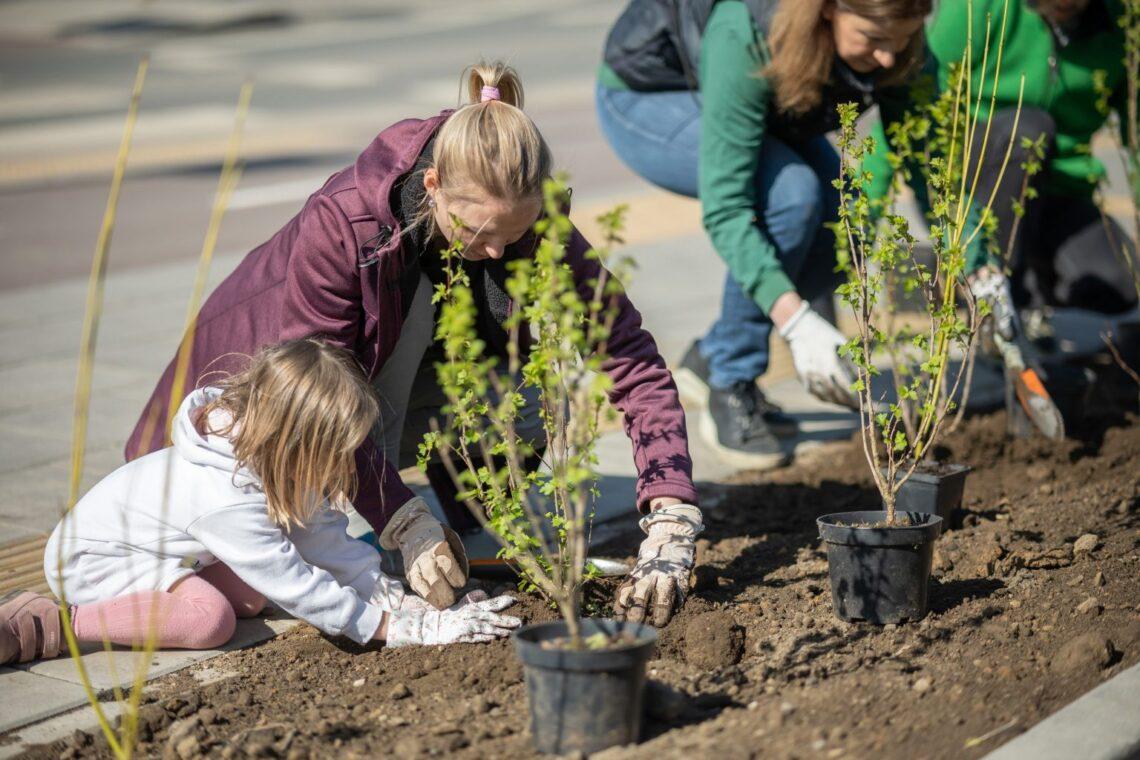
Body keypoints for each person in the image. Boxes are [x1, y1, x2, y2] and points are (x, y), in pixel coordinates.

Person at [123, 62, 703, 627]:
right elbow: (321, 402)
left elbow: (628, 354)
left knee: (531, 391)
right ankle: (410, 523)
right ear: (433, 187)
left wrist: (670, 507)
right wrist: (403, 521)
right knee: (249, 581)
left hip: (368, 396)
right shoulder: (346, 225)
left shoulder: (532, 215)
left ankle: (464, 517)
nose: (500, 253)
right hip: (251, 408)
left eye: (515, 234)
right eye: (480, 234)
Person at [0, 339, 522, 665]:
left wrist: (390, 596)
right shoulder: (222, 493)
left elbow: (325, 544)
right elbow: (296, 584)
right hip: (92, 559)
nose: (342, 470)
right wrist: (395, 629)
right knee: (211, 621)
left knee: (249, 598)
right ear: (297, 445)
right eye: (333, 456)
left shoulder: (275, 454)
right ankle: (59, 622)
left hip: (168, 549)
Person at [596, 0, 931, 468]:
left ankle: (713, 355)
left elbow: (925, 160)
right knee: (791, 194)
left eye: (902, 40)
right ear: (829, 10)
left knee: (844, 200)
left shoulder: (895, 36)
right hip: (651, 95)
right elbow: (727, 207)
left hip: (759, 92)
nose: (889, 58)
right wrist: (794, 320)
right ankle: (729, 377)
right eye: (873, 40)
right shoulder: (747, 30)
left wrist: (977, 267)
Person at [866, 0, 1138, 349]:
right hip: (977, 177)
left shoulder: (1122, 25)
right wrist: (860, 225)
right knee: (1029, 131)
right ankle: (984, 289)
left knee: (1120, 282)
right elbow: (906, 106)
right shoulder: (982, 7)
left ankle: (1023, 292)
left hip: (1056, 189)